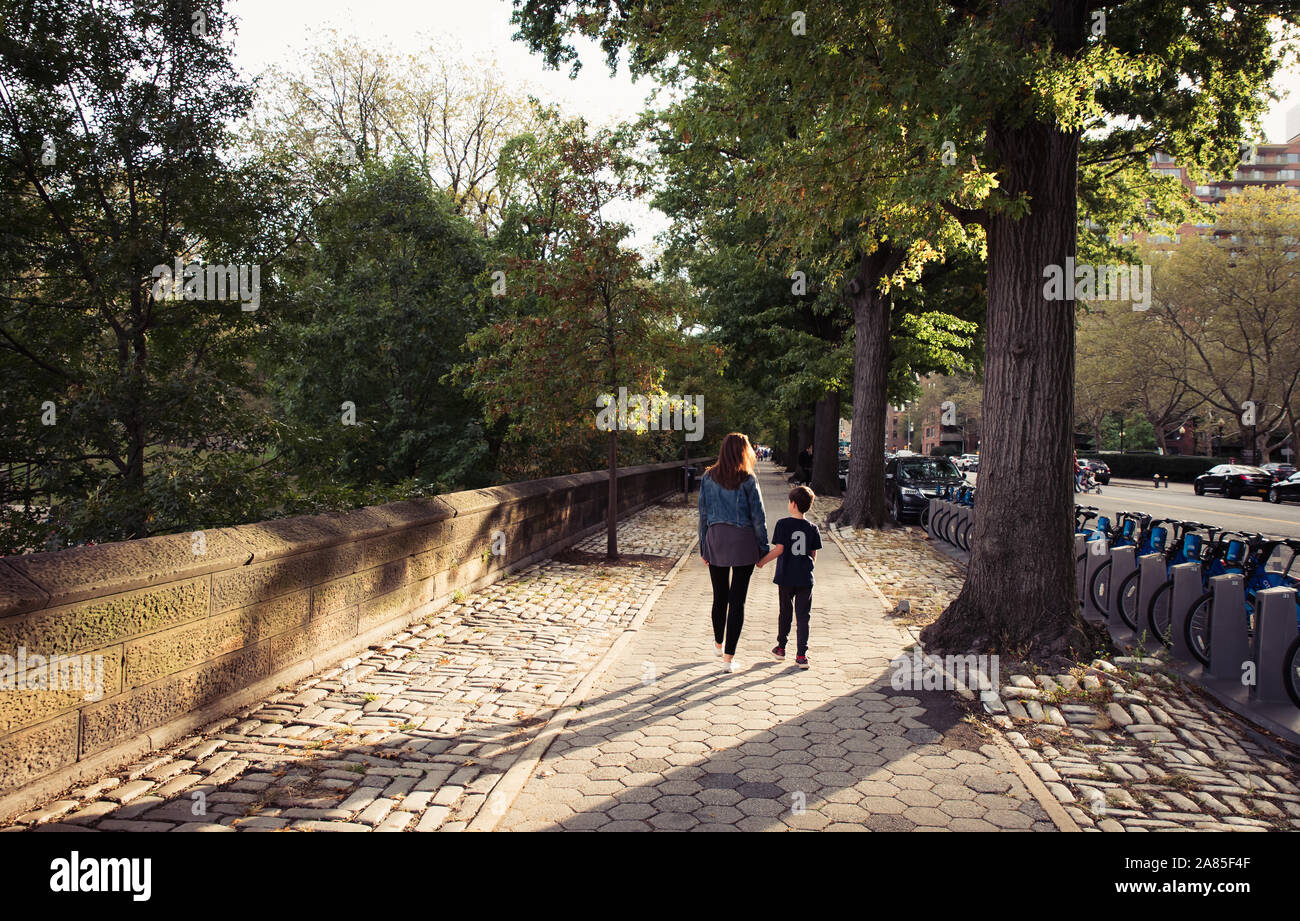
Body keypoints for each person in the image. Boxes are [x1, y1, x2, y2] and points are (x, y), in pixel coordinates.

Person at [698, 432, 770, 673]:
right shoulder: (748, 479)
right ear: (744, 451)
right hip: (743, 542)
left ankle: (718, 644)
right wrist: (763, 547)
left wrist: (703, 546)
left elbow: (703, 515)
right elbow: (758, 517)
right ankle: (728, 660)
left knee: (719, 596)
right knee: (737, 601)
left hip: (716, 540)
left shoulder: (708, 477)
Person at [758, 485, 821, 669]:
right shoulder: (812, 528)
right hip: (805, 578)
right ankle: (801, 655)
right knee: (803, 616)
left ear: (792, 504)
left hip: (786, 576)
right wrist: (809, 569)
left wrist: (762, 561)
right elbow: (813, 554)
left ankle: (781, 648)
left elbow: (779, 549)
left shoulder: (783, 524)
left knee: (785, 612)